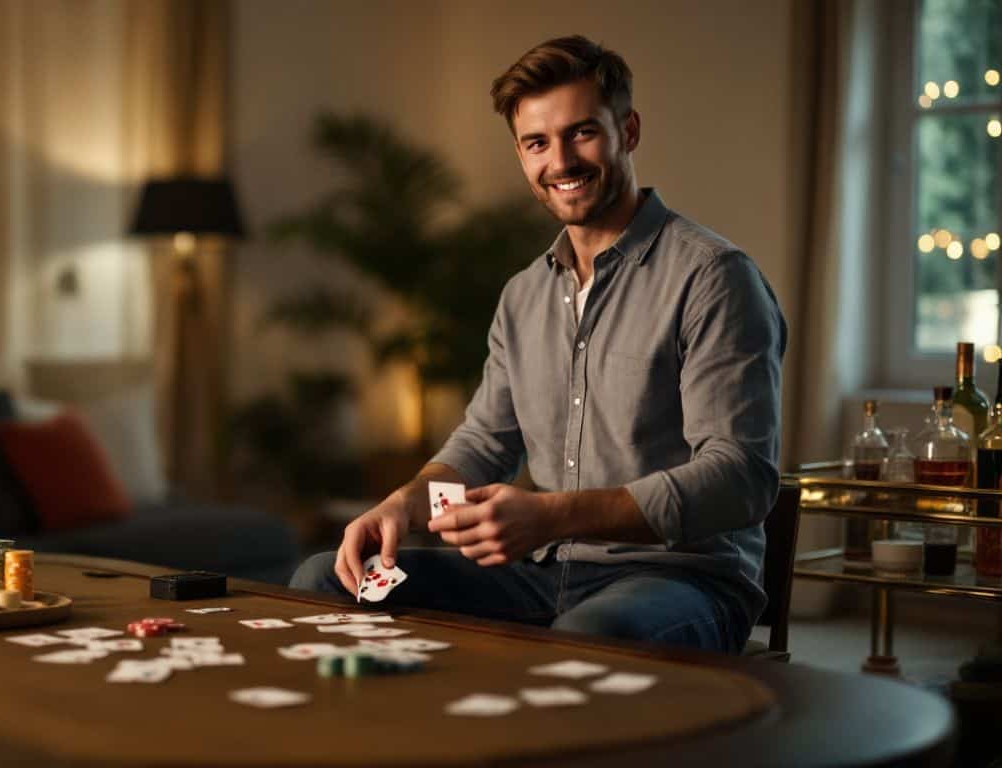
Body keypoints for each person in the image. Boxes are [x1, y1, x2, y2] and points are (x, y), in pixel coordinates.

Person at [289, 35, 787, 654]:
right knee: (323, 580)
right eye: (537, 143)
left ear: (628, 131)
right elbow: (482, 446)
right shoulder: (523, 295)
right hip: (538, 575)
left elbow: (740, 478)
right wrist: (403, 505)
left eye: (582, 133)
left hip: (680, 578)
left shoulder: (714, 277)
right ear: (523, 155)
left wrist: (552, 515)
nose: (561, 161)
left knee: (587, 637)